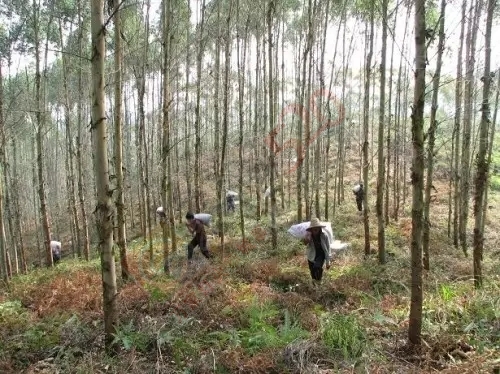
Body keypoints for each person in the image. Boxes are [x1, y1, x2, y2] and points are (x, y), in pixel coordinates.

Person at [302, 218, 331, 286]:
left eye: (317, 228)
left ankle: (319, 282)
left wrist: (328, 261)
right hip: (311, 256)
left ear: (319, 228)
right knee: (312, 272)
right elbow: (304, 243)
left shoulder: (324, 235)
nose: (315, 229)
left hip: (321, 255)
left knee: (317, 267)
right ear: (311, 229)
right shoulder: (308, 235)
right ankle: (314, 286)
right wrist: (306, 240)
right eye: (314, 228)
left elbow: (328, 248)